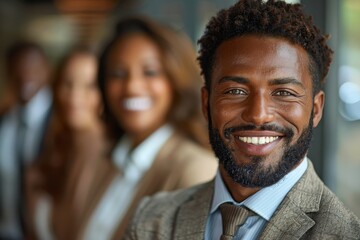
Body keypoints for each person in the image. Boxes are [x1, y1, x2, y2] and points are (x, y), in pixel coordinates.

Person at [124, 1, 360, 239]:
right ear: (206, 103)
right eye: (235, 91)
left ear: (316, 109)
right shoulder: (150, 221)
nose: (258, 114)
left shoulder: (344, 234)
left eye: (284, 93)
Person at [78, 17, 218, 239]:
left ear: (176, 80)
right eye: (117, 74)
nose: (132, 86)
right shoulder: (106, 160)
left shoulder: (195, 170)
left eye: (150, 72)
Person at [25, 48, 107, 240]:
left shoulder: (116, 160)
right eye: (67, 83)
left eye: (90, 85)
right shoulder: (48, 152)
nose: (75, 96)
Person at [0, 41, 52, 239]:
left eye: (32, 68)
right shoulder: (4, 121)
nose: (24, 75)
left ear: (46, 70)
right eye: (16, 69)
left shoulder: (60, 121)